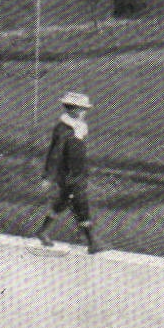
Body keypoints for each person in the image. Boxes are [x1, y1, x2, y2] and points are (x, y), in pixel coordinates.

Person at [33, 92, 104, 254]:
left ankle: (43, 231)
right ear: (73, 110)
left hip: (78, 173)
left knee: (63, 202)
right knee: (81, 204)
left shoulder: (78, 126)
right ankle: (92, 242)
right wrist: (48, 176)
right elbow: (55, 153)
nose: (84, 112)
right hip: (69, 175)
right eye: (82, 109)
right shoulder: (64, 129)